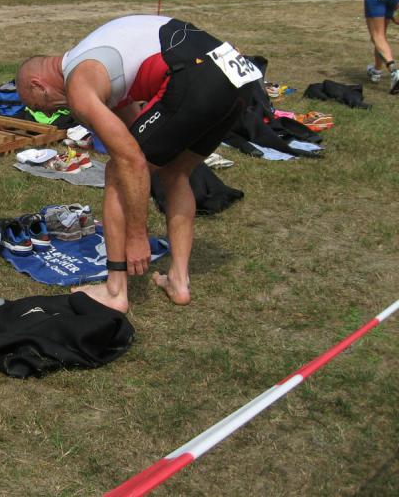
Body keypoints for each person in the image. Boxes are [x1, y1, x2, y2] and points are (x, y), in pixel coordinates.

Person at [16, 16, 259, 313]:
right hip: (239, 79)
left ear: (38, 85)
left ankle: (115, 291)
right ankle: (178, 281)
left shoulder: (79, 82)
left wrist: (136, 234)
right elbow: (140, 139)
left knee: (116, 172)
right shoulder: (99, 63)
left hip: (197, 75)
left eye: (39, 106)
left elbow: (130, 159)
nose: (48, 112)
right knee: (175, 172)